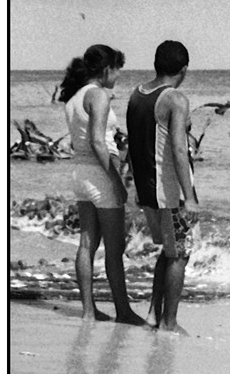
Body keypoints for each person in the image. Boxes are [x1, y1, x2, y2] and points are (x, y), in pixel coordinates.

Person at [60, 44, 145, 325]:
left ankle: (88, 310)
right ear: (108, 68)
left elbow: (83, 138)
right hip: (99, 173)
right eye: (117, 69)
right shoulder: (98, 95)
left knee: (86, 243)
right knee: (114, 248)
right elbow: (98, 141)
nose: (118, 75)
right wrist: (117, 182)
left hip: (79, 173)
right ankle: (123, 311)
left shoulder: (74, 96)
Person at [125, 40, 197, 333]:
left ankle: (155, 315)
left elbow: (133, 145)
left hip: (147, 190)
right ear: (184, 69)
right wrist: (189, 197)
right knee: (179, 254)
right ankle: (170, 322)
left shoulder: (136, 94)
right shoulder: (175, 100)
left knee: (168, 252)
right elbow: (179, 151)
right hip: (169, 192)